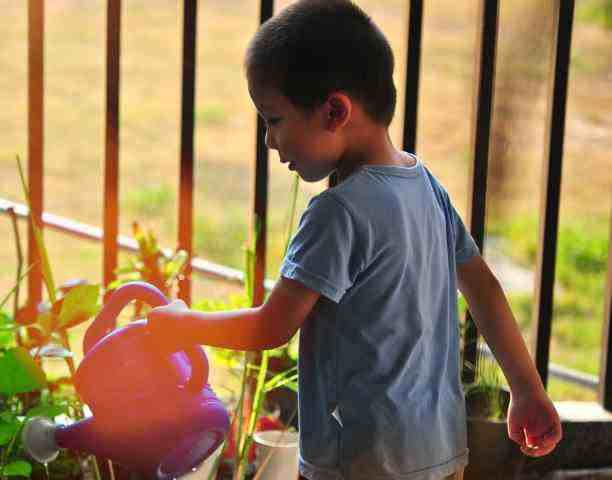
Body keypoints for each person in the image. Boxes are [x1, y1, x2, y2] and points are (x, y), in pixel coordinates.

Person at [147, 1, 562, 478]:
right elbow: (484, 290)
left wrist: (182, 324)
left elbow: (270, 327)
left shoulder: (337, 213)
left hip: (362, 463)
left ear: (334, 111)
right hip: (440, 455)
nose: (269, 141)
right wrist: (527, 387)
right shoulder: (425, 184)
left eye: (274, 120)